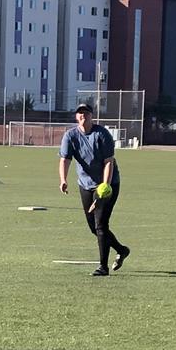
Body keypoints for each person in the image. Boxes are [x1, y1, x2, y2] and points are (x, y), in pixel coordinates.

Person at [58, 100, 130, 276]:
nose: (83, 115)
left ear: (91, 116)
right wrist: (63, 179)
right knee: (93, 227)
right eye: (80, 113)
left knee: (101, 225)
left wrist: (104, 186)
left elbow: (108, 162)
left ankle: (103, 267)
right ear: (76, 117)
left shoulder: (102, 134)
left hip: (108, 184)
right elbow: (65, 159)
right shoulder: (70, 136)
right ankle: (122, 250)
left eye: (86, 112)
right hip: (85, 185)